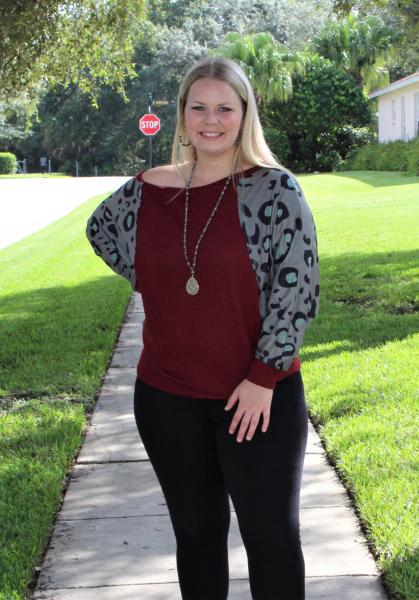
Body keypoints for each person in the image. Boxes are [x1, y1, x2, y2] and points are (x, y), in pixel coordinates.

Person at [85, 55, 319, 599]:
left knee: (272, 539)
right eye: (198, 107)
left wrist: (263, 377)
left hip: (258, 401)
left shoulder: (274, 190)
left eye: (224, 108)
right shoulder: (148, 189)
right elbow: (100, 232)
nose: (210, 119)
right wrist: (155, 279)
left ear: (245, 114)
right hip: (168, 398)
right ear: (183, 115)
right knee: (196, 535)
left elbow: (296, 290)